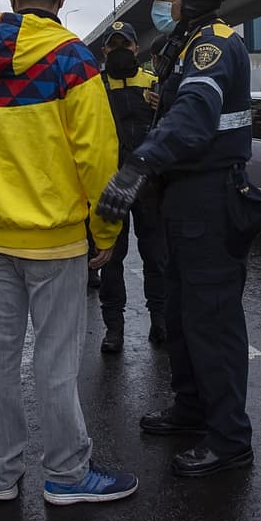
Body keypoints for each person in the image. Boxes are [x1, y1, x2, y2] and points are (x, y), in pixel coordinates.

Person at [0, 0, 138, 506]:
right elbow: (99, 158)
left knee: (0, 361)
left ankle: (1, 476)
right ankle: (66, 475)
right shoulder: (73, 62)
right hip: (56, 240)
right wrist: (103, 235)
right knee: (55, 363)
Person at [98, 0, 261, 478]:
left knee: (211, 320)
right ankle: (192, 407)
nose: (160, 7)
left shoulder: (211, 47)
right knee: (180, 312)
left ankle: (229, 439)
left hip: (210, 197)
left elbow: (196, 114)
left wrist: (138, 167)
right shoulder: (179, 46)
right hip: (182, 198)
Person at [97, 21, 166, 354]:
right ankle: (114, 328)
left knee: (157, 256)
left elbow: (169, 129)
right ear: (104, 50)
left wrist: (162, 105)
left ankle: (161, 321)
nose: (120, 50)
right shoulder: (95, 87)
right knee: (111, 260)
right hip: (111, 185)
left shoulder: (155, 84)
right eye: (114, 45)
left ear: (136, 49)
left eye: (126, 44)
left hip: (148, 183)